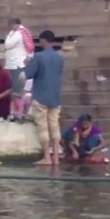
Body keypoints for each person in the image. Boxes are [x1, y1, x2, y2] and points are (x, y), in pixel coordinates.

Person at [25, 30, 65, 166]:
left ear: (43, 40)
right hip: (55, 96)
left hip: (41, 95)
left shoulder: (38, 57)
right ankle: (56, 158)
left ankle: (47, 157)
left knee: (43, 127)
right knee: (54, 126)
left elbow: (29, 74)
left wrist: (27, 63)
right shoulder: (60, 57)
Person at [2, 17, 32, 119]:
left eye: (11, 25)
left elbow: (8, 44)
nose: (9, 27)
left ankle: (18, 112)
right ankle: (16, 111)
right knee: (15, 88)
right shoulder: (16, 32)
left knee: (17, 89)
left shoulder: (19, 33)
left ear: (15, 24)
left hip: (17, 64)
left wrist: (9, 36)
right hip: (14, 64)